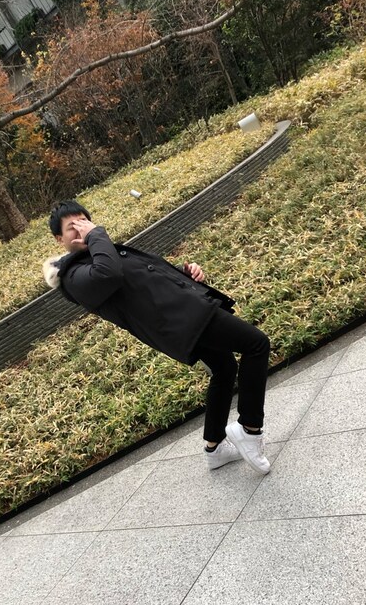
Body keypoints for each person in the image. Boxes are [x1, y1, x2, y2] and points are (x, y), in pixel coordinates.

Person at [43, 200, 271, 474]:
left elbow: (145, 281)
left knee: (224, 368)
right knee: (256, 344)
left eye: (84, 222)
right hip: (181, 319)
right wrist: (96, 234)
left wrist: (186, 275)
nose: (81, 229)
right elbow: (109, 274)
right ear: (59, 239)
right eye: (72, 227)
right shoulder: (73, 276)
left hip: (183, 312)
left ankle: (214, 447)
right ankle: (249, 428)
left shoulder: (99, 252)